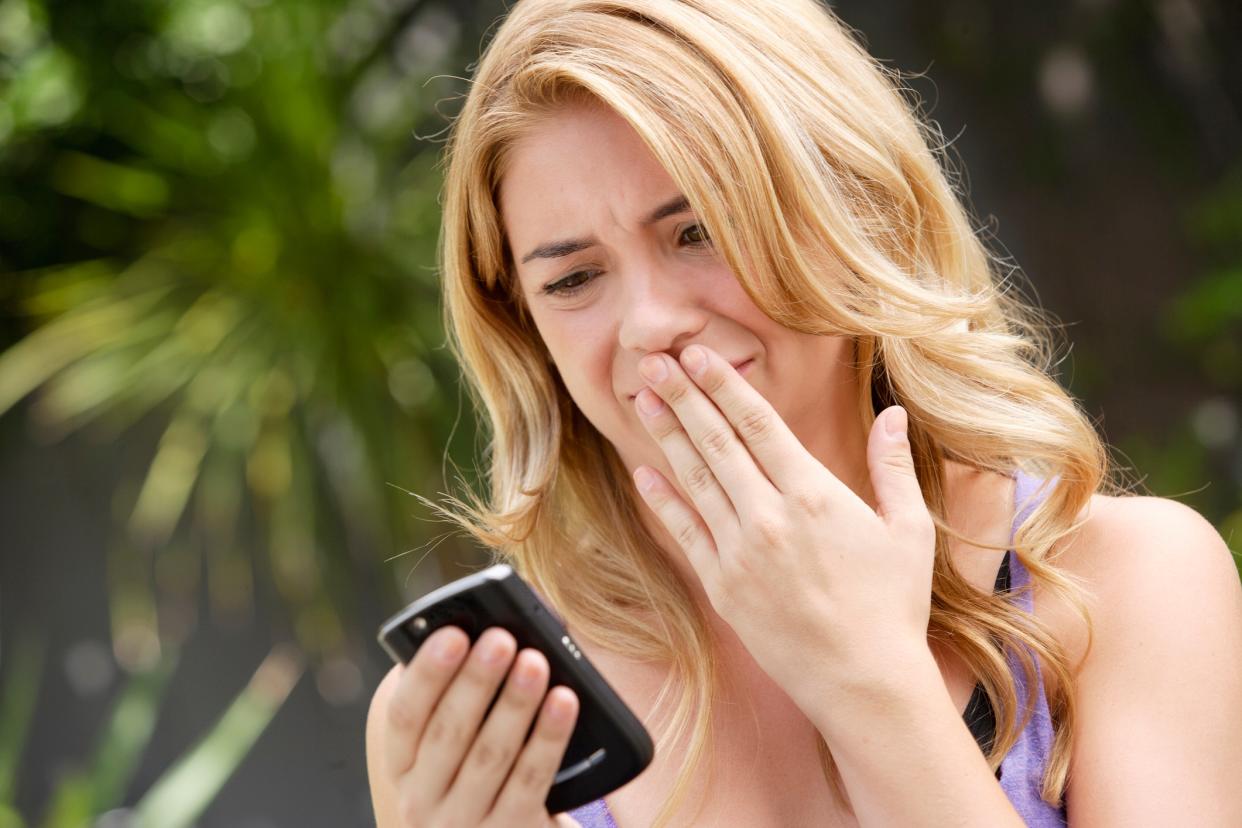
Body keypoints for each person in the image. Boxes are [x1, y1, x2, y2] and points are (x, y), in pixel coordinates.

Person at [365, 0, 1242, 825]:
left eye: (697, 230)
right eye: (573, 279)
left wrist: (868, 679)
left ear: (849, 203)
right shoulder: (501, 711)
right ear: (523, 325)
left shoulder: (1125, 584)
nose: (650, 324)